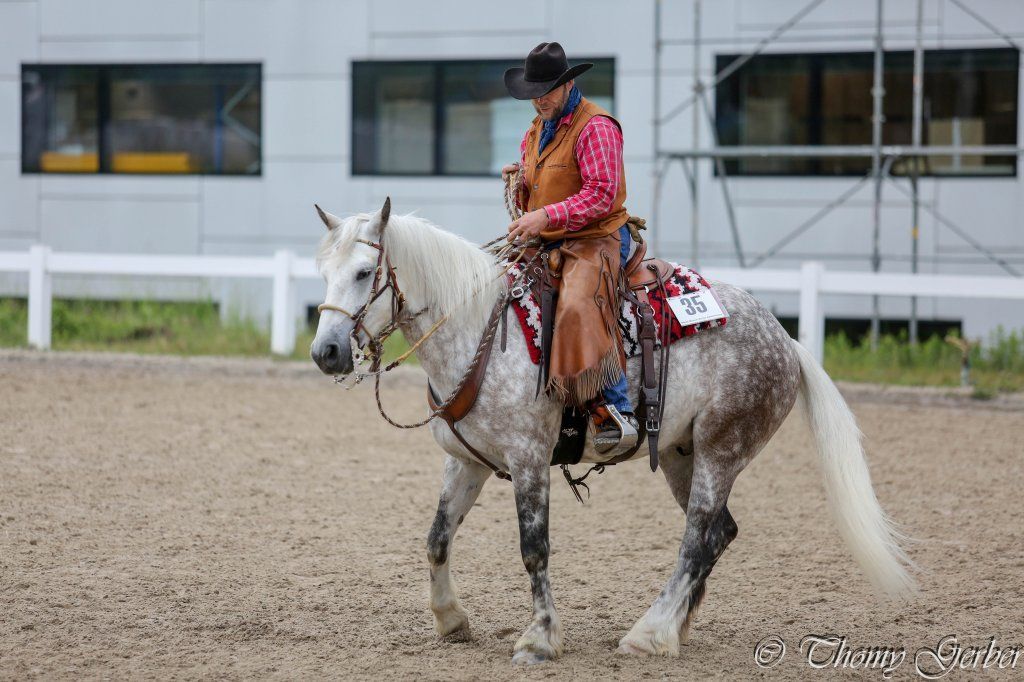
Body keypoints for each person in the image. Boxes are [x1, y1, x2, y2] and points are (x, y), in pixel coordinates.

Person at [502, 42, 638, 456]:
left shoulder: (595, 126)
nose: (539, 99)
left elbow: (601, 194)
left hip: (598, 236)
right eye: (534, 91)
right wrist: (519, 183)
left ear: (568, 83)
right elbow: (542, 189)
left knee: (578, 304)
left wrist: (544, 218)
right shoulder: (536, 129)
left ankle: (614, 410)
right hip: (553, 239)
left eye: (546, 89)